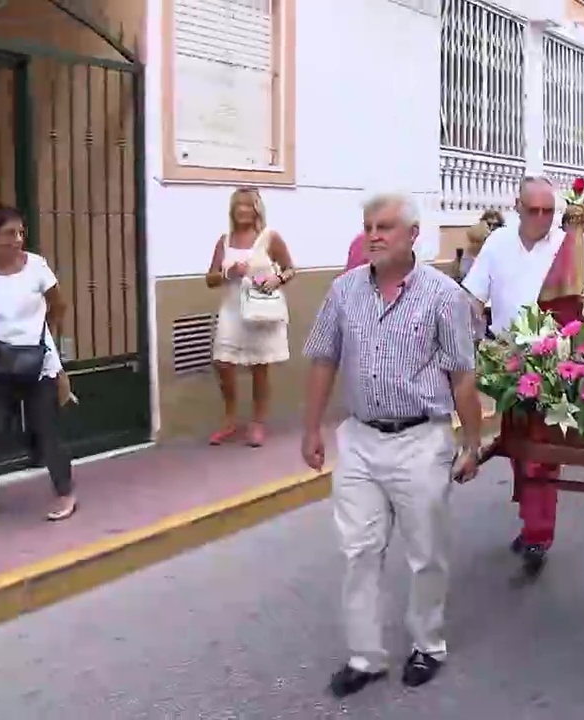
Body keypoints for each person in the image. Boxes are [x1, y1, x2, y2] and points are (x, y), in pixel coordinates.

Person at [302, 192, 482, 698]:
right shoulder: (343, 292)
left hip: (420, 439)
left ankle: (428, 644)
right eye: (368, 226)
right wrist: (311, 428)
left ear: (413, 235)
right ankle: (366, 655)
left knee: (425, 553)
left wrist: (472, 443)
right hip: (359, 439)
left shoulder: (443, 295)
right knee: (358, 549)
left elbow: (462, 376)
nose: (374, 235)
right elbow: (322, 360)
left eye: (385, 226)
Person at [462, 177, 566, 575]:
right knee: (518, 448)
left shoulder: (562, 246)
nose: (541, 218)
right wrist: (464, 334)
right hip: (506, 362)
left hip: (552, 364)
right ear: (517, 207)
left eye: (548, 211)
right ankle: (530, 521)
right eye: (533, 210)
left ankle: (540, 533)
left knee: (543, 454)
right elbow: (473, 296)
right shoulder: (498, 243)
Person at [0, 204, 75, 527]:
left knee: (46, 430)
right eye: (10, 234)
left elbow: (58, 305)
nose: (18, 239)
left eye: (21, 232)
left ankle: (65, 493)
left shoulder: (36, 267)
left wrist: (39, 335)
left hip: (38, 361)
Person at [205, 188, 295, 447]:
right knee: (223, 362)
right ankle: (230, 418)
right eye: (238, 206)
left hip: (259, 309)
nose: (243, 210)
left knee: (259, 367)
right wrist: (228, 273)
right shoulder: (224, 241)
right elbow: (209, 278)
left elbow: (290, 269)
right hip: (232, 309)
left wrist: (277, 279)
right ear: (232, 210)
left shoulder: (269, 238)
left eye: (248, 205)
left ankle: (257, 422)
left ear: (257, 209)